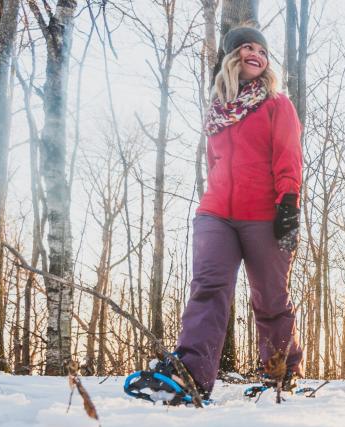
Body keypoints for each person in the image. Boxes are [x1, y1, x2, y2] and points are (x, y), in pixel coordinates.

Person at [125, 26, 303, 404]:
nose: (255, 54)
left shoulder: (277, 105)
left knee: (270, 297)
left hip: (265, 215)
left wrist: (289, 205)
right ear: (231, 57)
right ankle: (190, 375)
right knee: (208, 288)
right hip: (216, 213)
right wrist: (214, 196)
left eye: (261, 50)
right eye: (245, 48)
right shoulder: (218, 112)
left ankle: (280, 375)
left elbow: (288, 156)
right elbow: (214, 162)